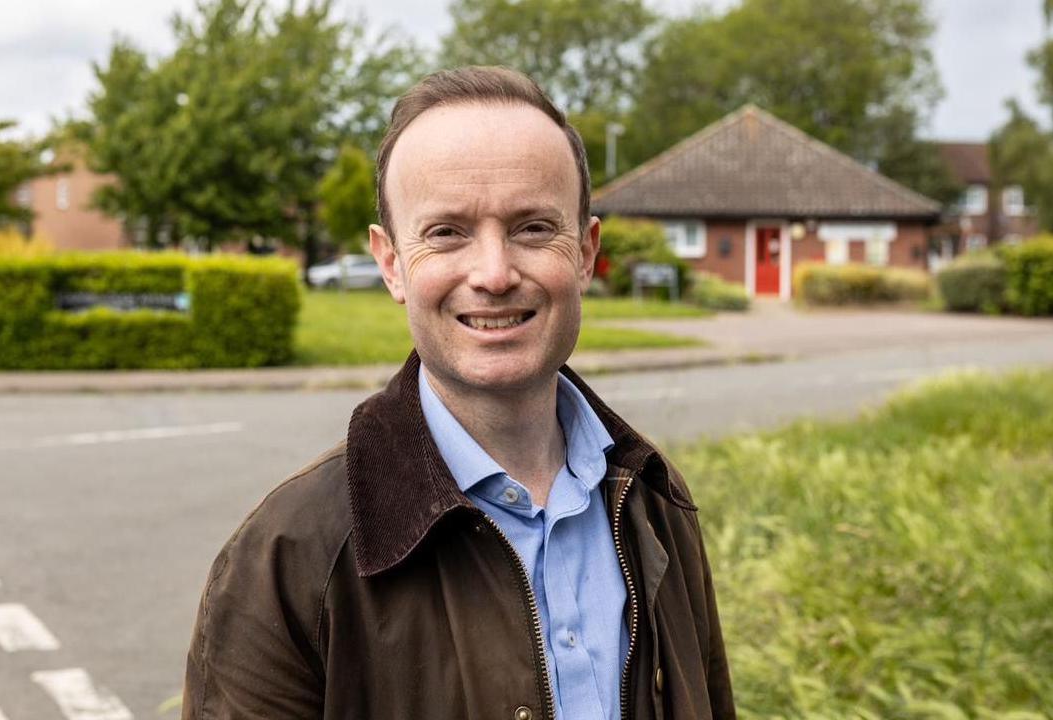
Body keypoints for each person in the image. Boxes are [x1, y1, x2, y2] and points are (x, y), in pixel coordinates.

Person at [182, 66, 735, 720]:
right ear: (391, 263)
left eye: (533, 227)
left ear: (586, 253)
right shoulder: (289, 555)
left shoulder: (654, 502)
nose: (494, 274)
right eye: (447, 232)